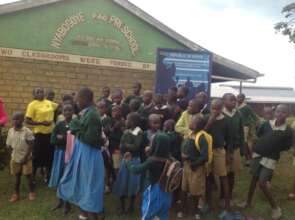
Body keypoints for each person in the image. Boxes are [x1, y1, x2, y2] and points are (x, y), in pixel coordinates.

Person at [57, 87, 105, 220]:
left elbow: (91, 139)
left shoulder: (93, 115)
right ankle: (83, 213)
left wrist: (75, 127)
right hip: (83, 153)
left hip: (89, 155)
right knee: (81, 184)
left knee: (89, 186)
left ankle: (91, 214)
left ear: (85, 99)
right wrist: (77, 126)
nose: (77, 102)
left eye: (78, 99)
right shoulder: (87, 113)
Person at [239, 104, 292, 220]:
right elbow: (258, 136)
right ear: (275, 112)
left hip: (271, 158)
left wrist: (274, 148)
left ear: (287, 115)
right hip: (258, 154)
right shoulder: (266, 124)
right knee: (254, 177)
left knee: (262, 183)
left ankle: (275, 208)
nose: (279, 114)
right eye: (278, 111)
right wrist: (257, 147)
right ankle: (248, 201)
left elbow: (287, 146)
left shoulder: (288, 130)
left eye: (283, 112)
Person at [124, 133, 173, 220]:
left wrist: (127, 162)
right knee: (162, 216)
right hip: (167, 192)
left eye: (151, 142)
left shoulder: (152, 161)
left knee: (148, 215)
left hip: (154, 192)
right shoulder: (171, 160)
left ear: (155, 145)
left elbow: (135, 170)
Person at [204, 99, 231, 215]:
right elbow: (203, 132)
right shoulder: (206, 118)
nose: (214, 111)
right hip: (207, 151)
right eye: (213, 108)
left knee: (223, 176)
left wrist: (228, 154)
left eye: (217, 109)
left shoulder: (226, 121)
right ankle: (208, 203)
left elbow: (229, 139)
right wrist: (210, 121)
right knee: (207, 176)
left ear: (221, 108)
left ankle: (227, 203)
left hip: (220, 151)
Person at [25, 87, 58, 183]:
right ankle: (33, 176)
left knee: (49, 156)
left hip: (50, 134)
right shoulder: (32, 105)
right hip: (39, 134)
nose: (40, 93)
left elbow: (59, 107)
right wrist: (41, 123)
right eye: (38, 92)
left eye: (42, 91)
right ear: (34, 95)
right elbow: (27, 120)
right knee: (37, 156)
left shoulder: (49, 103)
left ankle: (47, 177)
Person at [113, 112, 144, 214]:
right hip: (125, 159)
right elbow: (121, 145)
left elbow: (136, 146)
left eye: (127, 119)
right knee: (122, 181)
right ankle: (121, 206)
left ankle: (130, 205)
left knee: (133, 184)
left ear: (133, 122)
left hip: (134, 160)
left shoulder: (139, 132)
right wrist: (126, 145)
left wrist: (125, 144)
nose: (125, 121)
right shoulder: (126, 131)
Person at [179, 115, 209, 219]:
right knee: (184, 188)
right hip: (186, 166)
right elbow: (184, 146)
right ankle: (183, 209)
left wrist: (192, 161)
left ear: (196, 126)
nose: (190, 123)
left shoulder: (201, 138)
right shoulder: (189, 134)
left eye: (192, 122)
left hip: (196, 168)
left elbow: (205, 156)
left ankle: (194, 211)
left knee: (195, 191)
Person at [49, 104, 73, 215]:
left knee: (67, 177)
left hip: (71, 154)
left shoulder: (75, 124)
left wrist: (63, 138)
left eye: (69, 110)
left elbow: (74, 140)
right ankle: (59, 201)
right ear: (62, 112)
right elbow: (53, 139)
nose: (67, 112)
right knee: (59, 176)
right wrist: (64, 139)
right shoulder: (59, 124)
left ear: (73, 112)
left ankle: (67, 204)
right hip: (60, 154)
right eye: (65, 110)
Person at [6, 112, 35, 202]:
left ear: (22, 120)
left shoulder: (27, 132)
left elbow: (31, 145)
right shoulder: (11, 131)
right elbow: (9, 145)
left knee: (28, 175)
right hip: (15, 157)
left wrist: (26, 157)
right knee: (17, 176)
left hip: (26, 158)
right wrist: (11, 154)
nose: (15, 121)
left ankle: (31, 192)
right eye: (14, 119)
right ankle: (16, 194)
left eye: (17, 119)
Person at [222, 93, 244, 204]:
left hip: (235, 148)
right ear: (224, 101)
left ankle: (229, 195)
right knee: (223, 173)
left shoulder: (238, 114)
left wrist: (242, 147)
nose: (234, 102)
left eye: (234, 100)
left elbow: (241, 131)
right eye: (231, 100)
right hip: (223, 149)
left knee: (232, 173)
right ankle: (223, 195)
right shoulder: (220, 114)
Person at [237, 93, 258, 165]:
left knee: (245, 143)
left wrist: (257, 123)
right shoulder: (235, 106)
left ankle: (248, 159)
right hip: (237, 127)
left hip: (245, 127)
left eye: (240, 98)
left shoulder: (246, 107)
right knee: (242, 143)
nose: (238, 99)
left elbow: (254, 116)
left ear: (243, 99)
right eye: (238, 97)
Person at [108, 105, 125, 174]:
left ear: (121, 112)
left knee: (117, 166)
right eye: (112, 111)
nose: (114, 113)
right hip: (110, 146)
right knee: (111, 164)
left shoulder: (124, 122)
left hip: (117, 147)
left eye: (116, 111)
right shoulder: (110, 121)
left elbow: (123, 135)